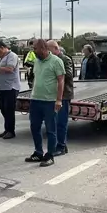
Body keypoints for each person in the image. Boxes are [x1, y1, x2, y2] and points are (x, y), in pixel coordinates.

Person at [25, 39, 65, 167]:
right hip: (36, 99)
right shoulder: (36, 61)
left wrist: (59, 99)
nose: (33, 51)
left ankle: (50, 155)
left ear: (43, 48)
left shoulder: (56, 62)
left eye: (35, 49)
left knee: (50, 130)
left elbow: (61, 81)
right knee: (34, 127)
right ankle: (38, 152)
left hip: (50, 101)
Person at [48, 40, 74, 156]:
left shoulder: (65, 59)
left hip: (64, 94)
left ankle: (61, 146)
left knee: (61, 122)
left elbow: (68, 75)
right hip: (54, 94)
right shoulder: (50, 60)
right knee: (55, 121)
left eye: (49, 50)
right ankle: (60, 144)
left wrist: (55, 73)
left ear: (55, 48)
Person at [0, 40, 21, 139]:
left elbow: (10, 69)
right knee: (3, 108)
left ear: (2, 48)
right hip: (3, 88)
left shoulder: (12, 56)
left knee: (9, 109)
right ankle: (7, 129)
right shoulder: (2, 58)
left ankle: (11, 131)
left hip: (11, 87)